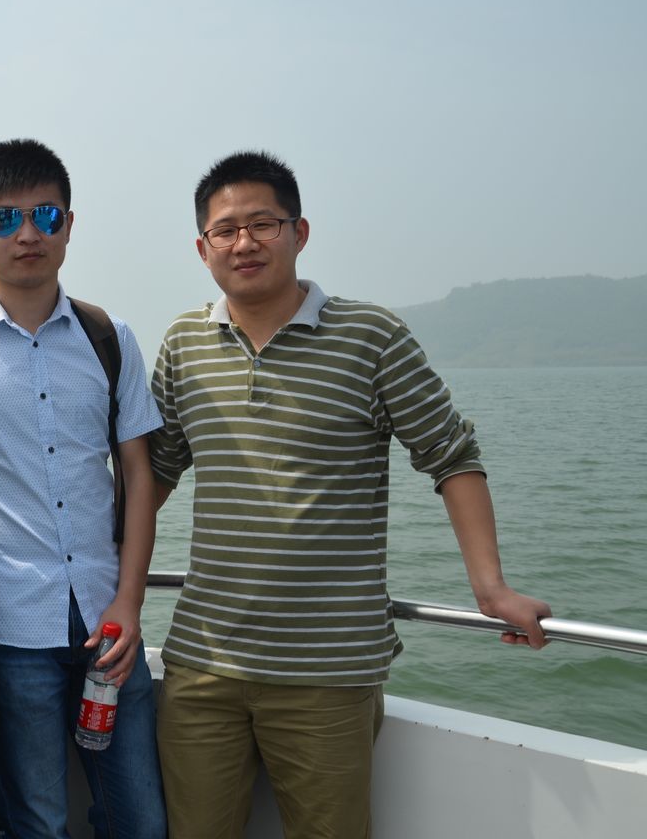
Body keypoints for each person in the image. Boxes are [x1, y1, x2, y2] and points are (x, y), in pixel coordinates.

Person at [149, 150, 553, 838]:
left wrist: (490, 588)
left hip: (329, 675)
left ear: (299, 232)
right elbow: (153, 474)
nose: (244, 243)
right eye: (225, 230)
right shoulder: (184, 343)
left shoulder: (371, 337)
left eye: (263, 224)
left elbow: (452, 455)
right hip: (203, 667)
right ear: (202, 247)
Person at [0, 139, 168, 838]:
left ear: (69, 225)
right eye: (6, 218)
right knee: (38, 823)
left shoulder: (109, 337)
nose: (28, 234)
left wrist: (130, 600)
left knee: (140, 819)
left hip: (108, 621)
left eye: (45, 216)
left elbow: (137, 473)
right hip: (7, 625)